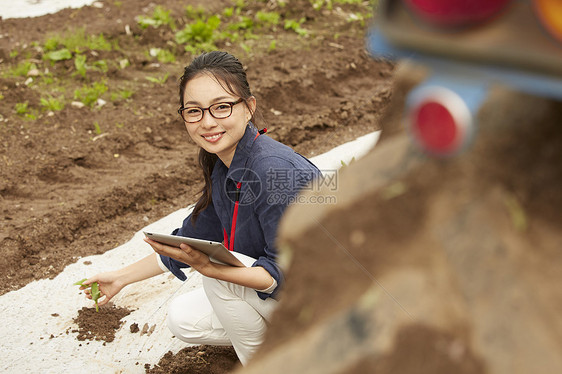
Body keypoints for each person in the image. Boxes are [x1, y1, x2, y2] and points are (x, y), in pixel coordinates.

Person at [81, 51, 322, 365]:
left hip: (331, 301)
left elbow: (284, 272)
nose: (207, 122)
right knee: (184, 318)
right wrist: (121, 277)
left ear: (249, 108)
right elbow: (187, 240)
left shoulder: (272, 170)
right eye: (194, 111)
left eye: (222, 107)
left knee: (221, 277)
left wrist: (213, 270)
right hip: (295, 300)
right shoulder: (225, 167)